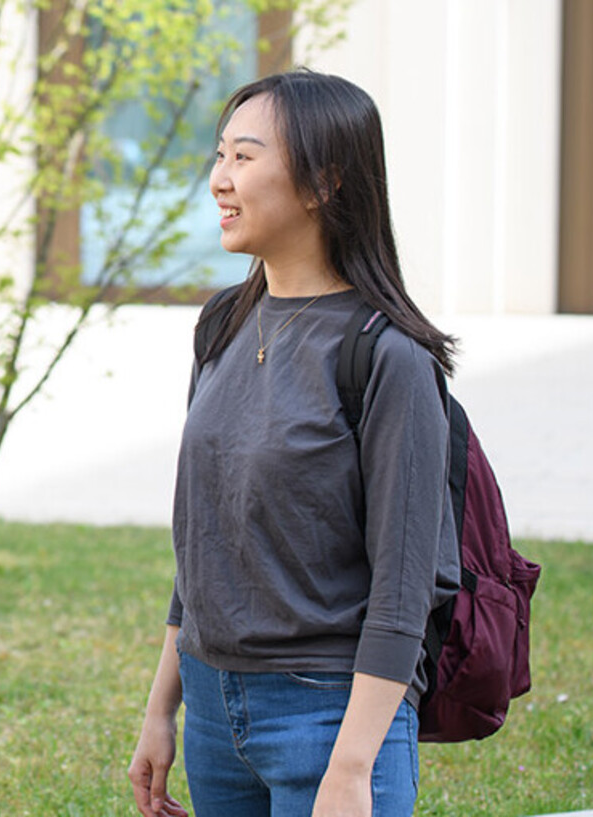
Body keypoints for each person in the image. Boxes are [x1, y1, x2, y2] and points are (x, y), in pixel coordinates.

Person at [127, 70, 458, 817]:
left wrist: (351, 769)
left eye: (244, 157)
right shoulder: (222, 325)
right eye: (219, 156)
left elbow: (405, 590)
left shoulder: (387, 358)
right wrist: (163, 709)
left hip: (329, 711)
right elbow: (204, 543)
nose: (219, 180)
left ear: (323, 182)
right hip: (214, 708)